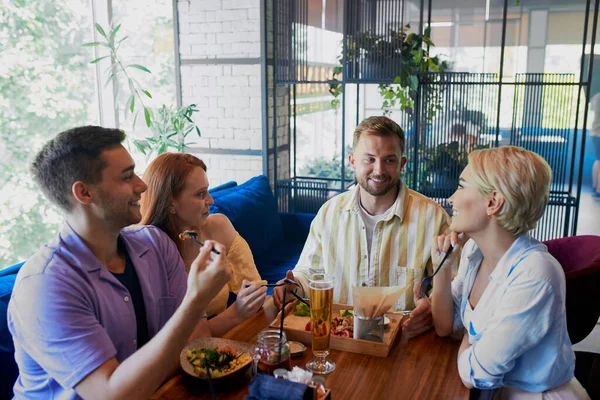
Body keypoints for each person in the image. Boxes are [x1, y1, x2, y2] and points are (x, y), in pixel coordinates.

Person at [7, 126, 231, 399]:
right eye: (127, 177)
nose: (143, 185)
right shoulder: (45, 285)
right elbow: (109, 395)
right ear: (85, 193)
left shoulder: (156, 245)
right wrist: (196, 299)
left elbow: (194, 343)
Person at [430, 146, 589, 398]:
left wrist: (470, 338)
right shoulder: (473, 252)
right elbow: (444, 327)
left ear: (493, 202)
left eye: (461, 187)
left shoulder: (536, 273)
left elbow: (475, 373)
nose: (451, 198)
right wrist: (442, 265)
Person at [274, 116, 452, 337]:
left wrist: (431, 307)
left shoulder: (434, 218)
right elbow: (309, 273)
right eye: (369, 159)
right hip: (339, 340)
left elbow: (454, 285)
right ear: (352, 161)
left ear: (402, 164)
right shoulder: (329, 214)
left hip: (404, 343)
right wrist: (293, 287)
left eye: (389, 160)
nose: (378, 170)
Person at [140, 153, 266, 336]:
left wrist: (258, 295)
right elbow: (181, 339)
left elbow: (256, 290)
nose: (211, 200)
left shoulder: (219, 227)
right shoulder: (150, 252)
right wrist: (236, 313)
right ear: (170, 203)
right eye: (200, 194)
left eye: (207, 190)